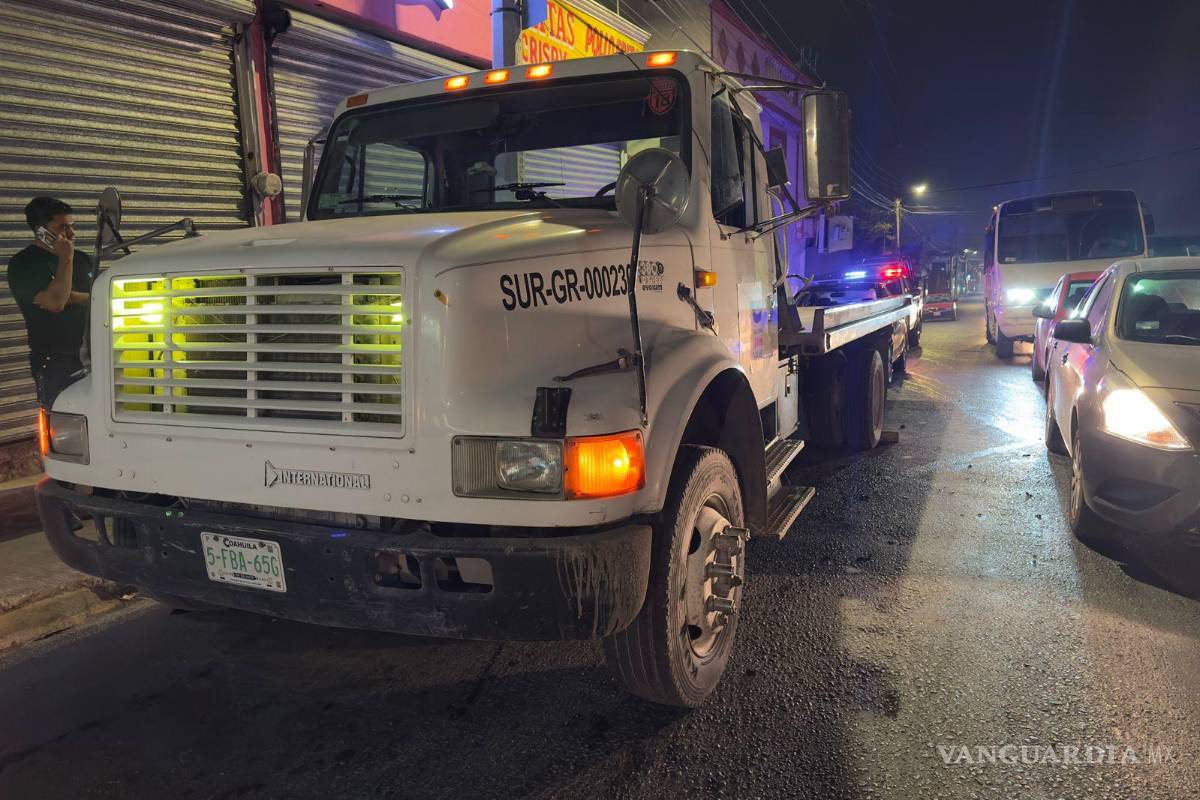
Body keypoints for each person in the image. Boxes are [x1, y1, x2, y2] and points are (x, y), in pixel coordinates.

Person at [5, 197, 92, 408]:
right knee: (61, 419)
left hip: (90, 354)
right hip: (54, 361)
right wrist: (66, 259)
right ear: (41, 231)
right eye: (62, 227)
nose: (71, 234)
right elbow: (56, 302)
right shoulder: (24, 264)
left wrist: (75, 295)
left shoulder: (83, 259)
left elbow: (99, 295)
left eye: (72, 226)